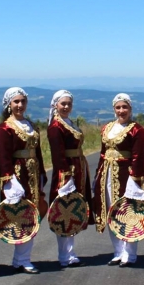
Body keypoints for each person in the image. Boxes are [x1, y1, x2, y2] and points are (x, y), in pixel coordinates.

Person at [91, 93, 144, 267]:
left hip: (126, 174)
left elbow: (138, 157)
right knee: (110, 211)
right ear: (114, 109)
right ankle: (118, 251)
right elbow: (102, 153)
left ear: (130, 109)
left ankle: (130, 253)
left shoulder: (137, 130)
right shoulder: (107, 128)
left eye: (125, 107)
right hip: (106, 173)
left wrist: (135, 180)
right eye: (118, 107)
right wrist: (97, 176)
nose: (121, 111)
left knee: (127, 212)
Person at [0, 87, 47, 274]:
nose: (20, 105)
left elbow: (39, 152)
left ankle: (22, 258)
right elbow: (3, 156)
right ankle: (21, 258)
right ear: (9, 104)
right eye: (16, 102)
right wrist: (9, 180)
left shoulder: (31, 125)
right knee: (21, 214)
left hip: (33, 173)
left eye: (22, 101)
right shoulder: (5, 128)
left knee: (32, 214)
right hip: (19, 174)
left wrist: (41, 172)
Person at [46, 89, 91, 268]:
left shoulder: (68, 122)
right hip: (67, 171)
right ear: (55, 105)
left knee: (74, 212)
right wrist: (66, 177)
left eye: (68, 104)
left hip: (78, 167)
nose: (66, 107)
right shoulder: (55, 127)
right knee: (64, 212)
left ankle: (70, 251)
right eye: (63, 104)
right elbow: (58, 155)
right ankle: (65, 254)